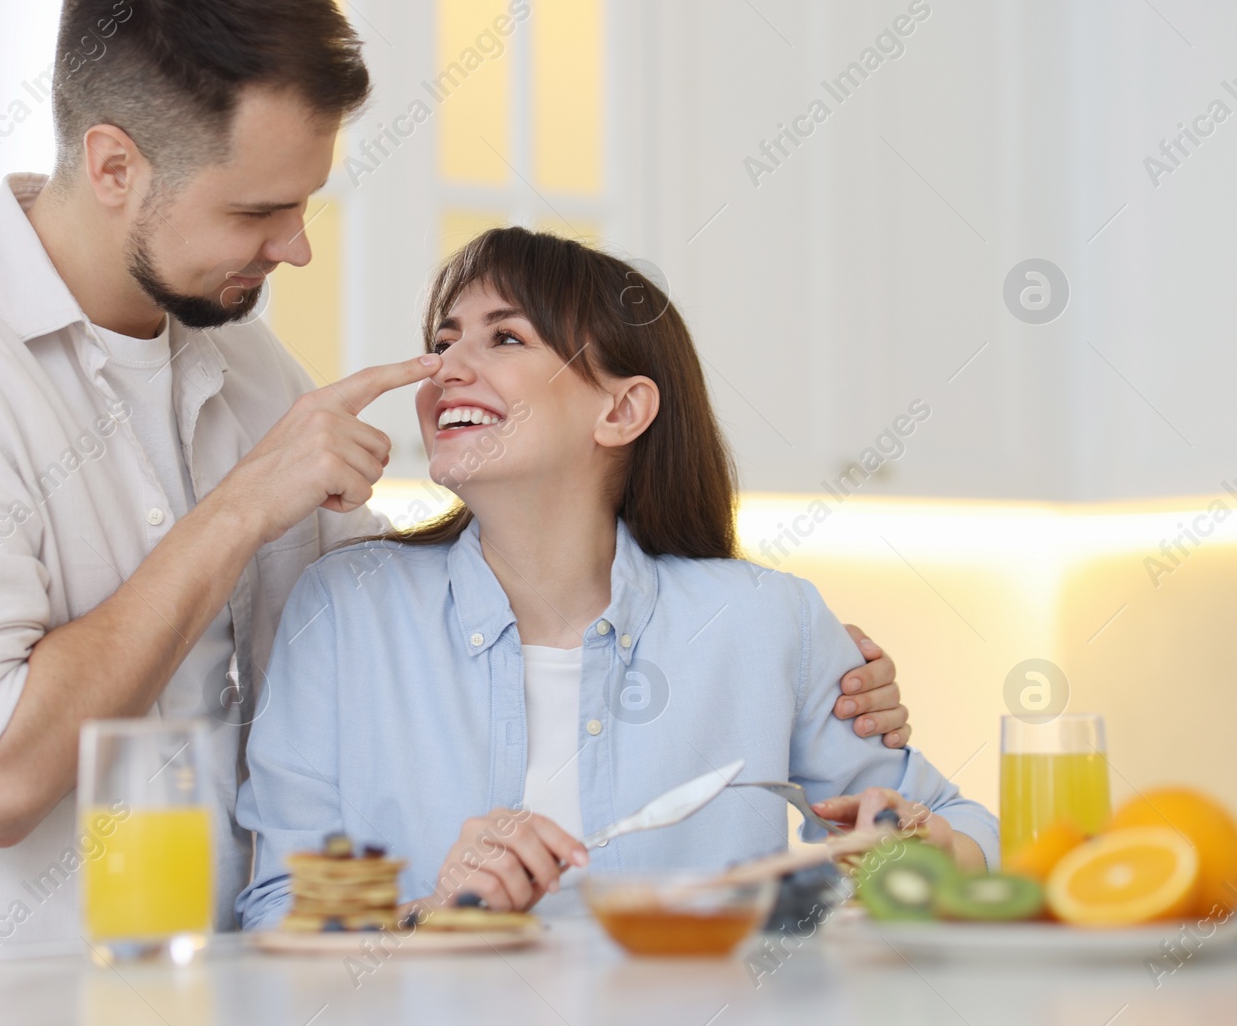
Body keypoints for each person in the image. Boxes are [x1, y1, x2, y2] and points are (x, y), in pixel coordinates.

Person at [0, 0, 909, 949]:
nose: (297, 248)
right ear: (113, 167)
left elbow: (402, 617)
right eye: (259, 210)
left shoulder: (243, 365)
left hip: (225, 991)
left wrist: (787, 660)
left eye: (304, 201)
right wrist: (241, 505)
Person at [236, 228, 997, 929]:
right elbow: (278, 910)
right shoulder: (345, 610)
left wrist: (925, 848)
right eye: (443, 340)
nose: (444, 370)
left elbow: (959, 827)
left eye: (504, 336)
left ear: (623, 409)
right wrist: (433, 914)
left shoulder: (765, 621)